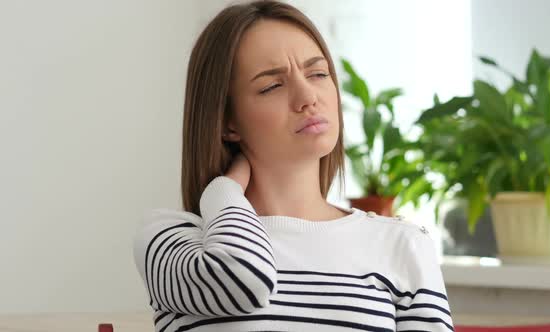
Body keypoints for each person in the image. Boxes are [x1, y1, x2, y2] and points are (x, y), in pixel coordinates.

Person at [133, 1, 454, 331]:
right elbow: (243, 281)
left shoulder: (403, 244)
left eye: (318, 73)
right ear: (227, 121)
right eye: (272, 85)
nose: (307, 96)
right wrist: (224, 190)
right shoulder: (174, 240)